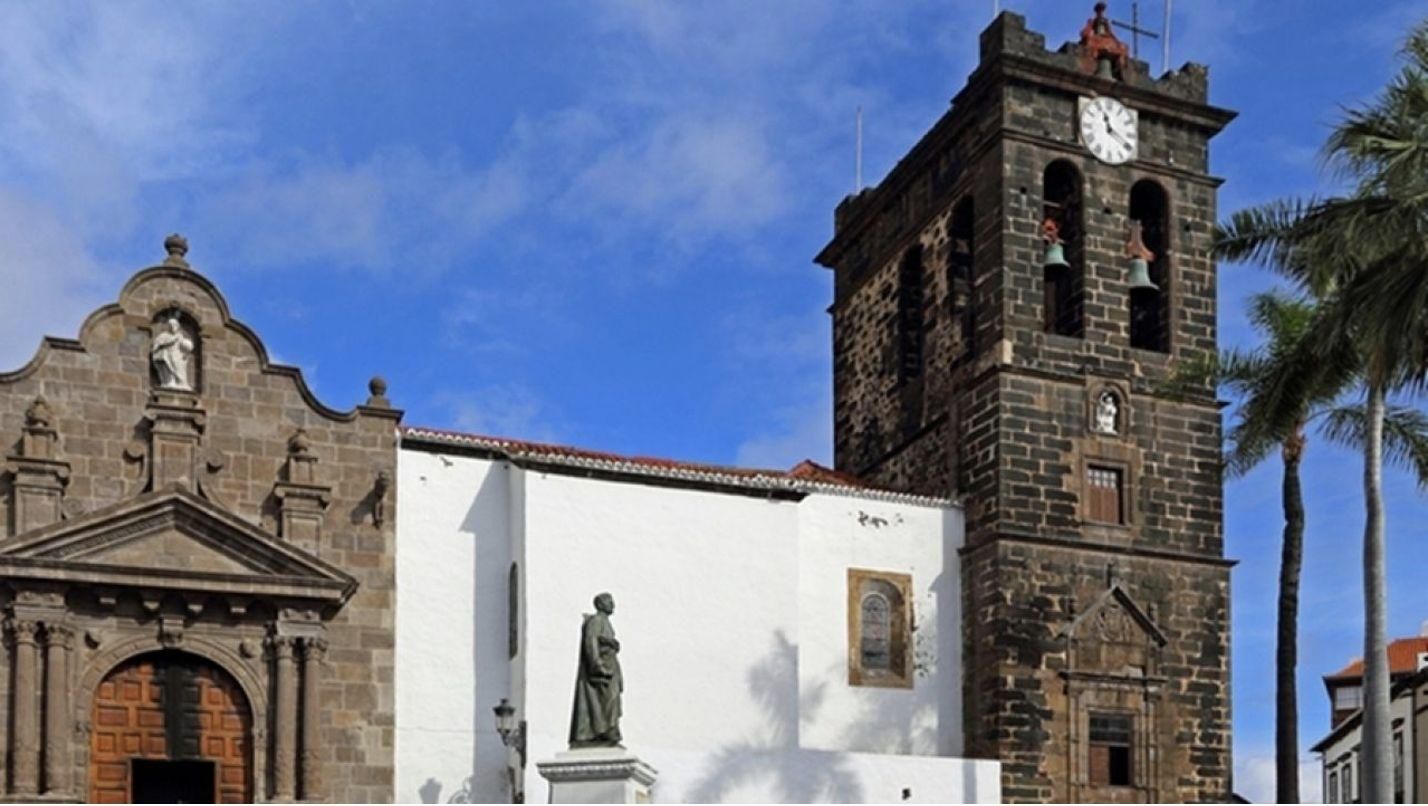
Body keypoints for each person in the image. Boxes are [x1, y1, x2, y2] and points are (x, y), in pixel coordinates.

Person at [569, 593, 623, 747]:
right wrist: (598, 665)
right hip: (602, 671)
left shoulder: (605, 622)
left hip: (611, 668)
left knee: (612, 700)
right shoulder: (595, 621)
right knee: (607, 700)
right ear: (600, 604)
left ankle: (607, 730)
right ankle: (603, 731)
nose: (613, 604)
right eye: (609, 601)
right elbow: (591, 643)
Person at [151, 317, 194, 391]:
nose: (173, 327)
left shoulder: (180, 336)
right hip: (168, 355)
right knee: (168, 368)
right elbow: (156, 345)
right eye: (171, 325)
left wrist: (187, 351)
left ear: (177, 326)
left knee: (179, 370)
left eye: (175, 325)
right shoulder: (164, 335)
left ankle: (181, 383)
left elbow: (185, 346)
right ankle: (169, 382)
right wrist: (171, 340)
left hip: (178, 356)